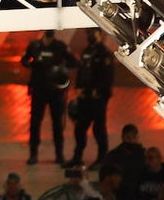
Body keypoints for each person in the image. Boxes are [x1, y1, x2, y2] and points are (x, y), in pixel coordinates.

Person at [21, 30, 78, 165]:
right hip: (39, 89)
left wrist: (61, 67)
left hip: (56, 91)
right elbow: (24, 60)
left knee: (57, 124)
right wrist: (33, 63)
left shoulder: (60, 46)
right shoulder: (35, 46)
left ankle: (59, 154)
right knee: (35, 123)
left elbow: (74, 62)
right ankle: (33, 154)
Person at [67, 28, 114, 169]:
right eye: (88, 33)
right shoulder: (86, 52)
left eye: (93, 33)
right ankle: (77, 157)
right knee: (80, 128)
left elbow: (107, 77)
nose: (90, 36)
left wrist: (98, 91)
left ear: (100, 34)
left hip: (98, 97)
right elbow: (81, 72)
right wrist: (78, 87)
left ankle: (102, 158)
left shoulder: (104, 54)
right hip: (84, 96)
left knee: (98, 128)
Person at [100, 125, 145, 200]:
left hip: (137, 195)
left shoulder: (142, 155)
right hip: (118, 196)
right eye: (128, 137)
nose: (131, 140)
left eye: (134, 137)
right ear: (123, 138)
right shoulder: (113, 156)